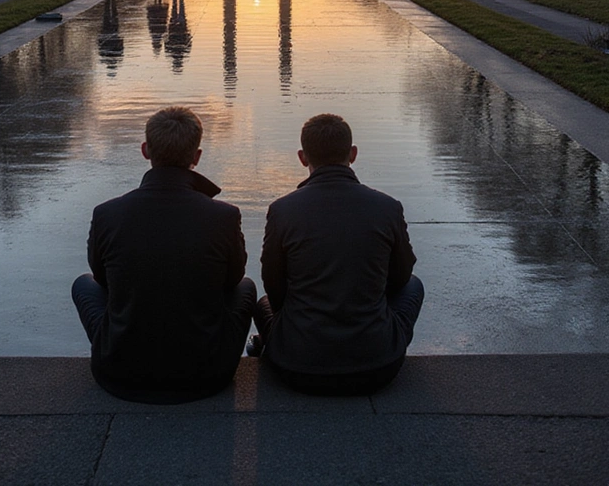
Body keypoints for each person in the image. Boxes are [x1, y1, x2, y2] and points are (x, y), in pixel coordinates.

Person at [71, 106, 256, 403]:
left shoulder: (107, 214)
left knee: (83, 284)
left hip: (119, 374)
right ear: (196, 156)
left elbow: (102, 279)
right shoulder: (223, 216)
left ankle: (119, 343)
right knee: (246, 286)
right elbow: (232, 280)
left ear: (145, 150)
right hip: (207, 375)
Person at [252, 113, 424, 395]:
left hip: (296, 366)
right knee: (414, 285)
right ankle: (377, 336)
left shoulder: (283, 210)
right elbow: (401, 277)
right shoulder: (386, 207)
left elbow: (274, 284)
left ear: (302, 157)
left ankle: (272, 342)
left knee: (262, 302)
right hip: (379, 366)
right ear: (352, 154)